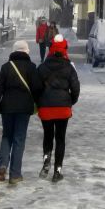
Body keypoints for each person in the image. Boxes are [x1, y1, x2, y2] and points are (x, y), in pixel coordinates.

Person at [0, 40, 40, 185]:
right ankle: (15, 174)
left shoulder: (6, 67)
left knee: (7, 136)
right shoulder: (31, 67)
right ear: (26, 52)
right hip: (24, 109)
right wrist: (40, 107)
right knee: (19, 139)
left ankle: (3, 165)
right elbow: (37, 89)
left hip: (7, 108)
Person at [36, 34, 80, 183]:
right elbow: (75, 87)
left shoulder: (42, 67)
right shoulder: (69, 67)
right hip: (63, 109)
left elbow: (36, 87)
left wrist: (39, 102)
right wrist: (70, 101)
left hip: (46, 109)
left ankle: (46, 159)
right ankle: (58, 170)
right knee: (60, 139)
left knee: (48, 136)